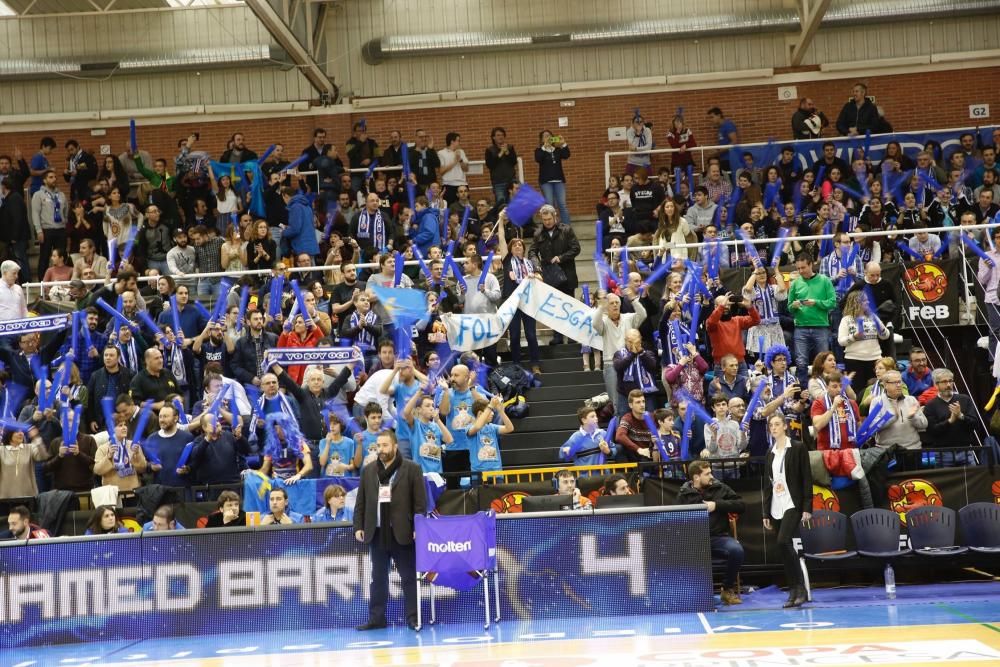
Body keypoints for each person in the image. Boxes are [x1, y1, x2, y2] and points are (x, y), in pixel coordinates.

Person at [354, 429, 427, 631]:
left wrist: (417, 527)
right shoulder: (369, 471)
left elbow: (420, 503)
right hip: (376, 532)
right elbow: (361, 502)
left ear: (395, 446)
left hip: (401, 531)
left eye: (385, 445)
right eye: (378, 446)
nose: (381, 450)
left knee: (408, 578)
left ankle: (413, 617)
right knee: (377, 578)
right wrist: (358, 526)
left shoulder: (412, 469)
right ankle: (376, 618)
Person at [676, 460, 745, 605]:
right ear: (696, 477)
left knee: (736, 550)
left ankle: (727, 589)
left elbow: (740, 505)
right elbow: (677, 519)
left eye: (711, 472)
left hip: (718, 537)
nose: (711, 476)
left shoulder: (720, 487)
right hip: (694, 540)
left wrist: (717, 505)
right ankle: (694, 593)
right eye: (707, 474)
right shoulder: (684, 494)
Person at [762, 414, 812, 608]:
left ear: (785, 426)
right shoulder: (770, 452)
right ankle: (794, 590)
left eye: (776, 424)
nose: (773, 428)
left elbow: (806, 478)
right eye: (771, 425)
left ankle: (800, 587)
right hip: (776, 503)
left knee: (783, 540)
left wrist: (807, 507)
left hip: (793, 503)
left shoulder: (798, 447)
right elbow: (768, 484)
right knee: (783, 547)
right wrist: (765, 512)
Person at [528, 205, 581, 344]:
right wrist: (537, 267)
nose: (547, 222)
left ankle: (572, 337)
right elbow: (532, 252)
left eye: (549, 219)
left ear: (555, 216)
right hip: (550, 275)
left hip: (567, 274)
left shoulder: (566, 229)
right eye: (544, 219)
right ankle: (557, 337)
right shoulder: (538, 233)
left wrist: (561, 257)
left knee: (569, 307)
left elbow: (576, 248)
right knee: (555, 308)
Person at [788, 253, 836, 386]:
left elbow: (833, 302)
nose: (800, 271)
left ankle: (827, 390)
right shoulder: (795, 283)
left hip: (821, 326)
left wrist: (816, 302)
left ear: (811, 265)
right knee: (801, 362)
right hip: (800, 328)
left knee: (824, 362)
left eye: (803, 267)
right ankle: (802, 394)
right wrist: (794, 306)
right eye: (798, 268)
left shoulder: (825, 280)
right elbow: (789, 307)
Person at [923, 368, 978, 458]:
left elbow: (975, 424)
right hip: (942, 453)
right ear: (936, 385)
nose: (948, 384)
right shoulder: (930, 405)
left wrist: (961, 416)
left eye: (950, 381)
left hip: (965, 451)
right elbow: (932, 431)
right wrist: (949, 421)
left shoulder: (964, 399)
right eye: (944, 382)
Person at [872, 370, 926, 450]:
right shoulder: (877, 402)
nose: (898, 385)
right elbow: (873, 427)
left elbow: (924, 425)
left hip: (912, 449)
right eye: (894, 382)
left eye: (900, 382)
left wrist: (913, 417)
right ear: (885, 385)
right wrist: (892, 417)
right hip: (886, 451)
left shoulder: (911, 400)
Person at [535, 130, 571, 225]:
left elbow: (566, 155)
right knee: (550, 205)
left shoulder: (557, 150)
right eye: (545, 136)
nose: (548, 137)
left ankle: (567, 227)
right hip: (546, 181)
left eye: (549, 136)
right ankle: (552, 226)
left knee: (562, 204)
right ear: (542, 139)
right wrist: (544, 147)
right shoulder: (539, 150)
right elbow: (538, 158)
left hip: (559, 180)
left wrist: (563, 143)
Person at [0, 428, 48, 499]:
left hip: (28, 495)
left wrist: (36, 438)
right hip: (5, 496)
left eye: (22, 431)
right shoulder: (1, 450)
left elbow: (43, 456)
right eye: (17, 431)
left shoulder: (29, 448)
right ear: (9, 434)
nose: (21, 433)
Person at [614, 389, 656, 463]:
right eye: (638, 402)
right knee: (619, 449)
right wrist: (638, 449)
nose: (642, 405)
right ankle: (626, 474)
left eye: (643, 401)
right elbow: (619, 436)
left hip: (651, 453)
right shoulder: (627, 418)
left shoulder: (652, 417)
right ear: (630, 405)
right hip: (634, 454)